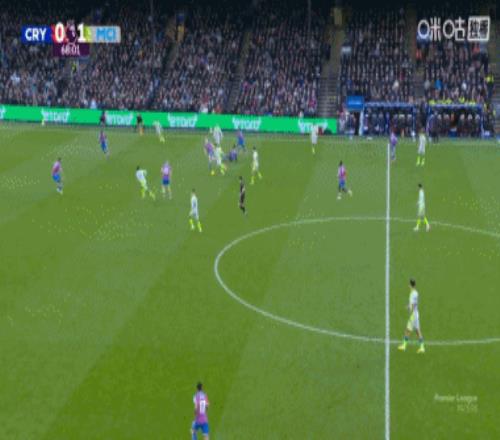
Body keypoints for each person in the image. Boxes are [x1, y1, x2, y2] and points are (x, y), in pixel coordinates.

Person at [398, 279, 425, 354]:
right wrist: (408, 306)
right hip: (416, 314)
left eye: (409, 284)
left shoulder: (412, 294)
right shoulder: (416, 293)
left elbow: (412, 305)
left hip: (413, 315)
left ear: (410, 285)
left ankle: (404, 346)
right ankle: (422, 347)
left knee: (407, 330)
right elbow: (415, 303)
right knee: (418, 331)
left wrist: (409, 309)